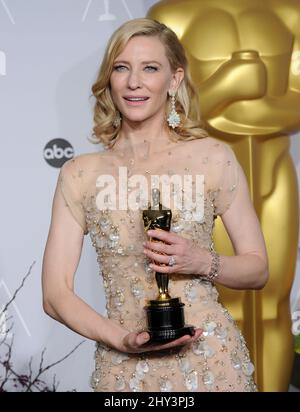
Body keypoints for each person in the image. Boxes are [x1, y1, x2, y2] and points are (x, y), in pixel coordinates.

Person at [42, 18, 268, 392]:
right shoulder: (80, 174)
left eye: (150, 68)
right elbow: (55, 294)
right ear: (109, 79)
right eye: (121, 67)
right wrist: (119, 340)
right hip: (123, 369)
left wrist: (201, 261)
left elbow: (257, 269)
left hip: (211, 363)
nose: (134, 82)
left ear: (174, 80)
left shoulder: (212, 157)